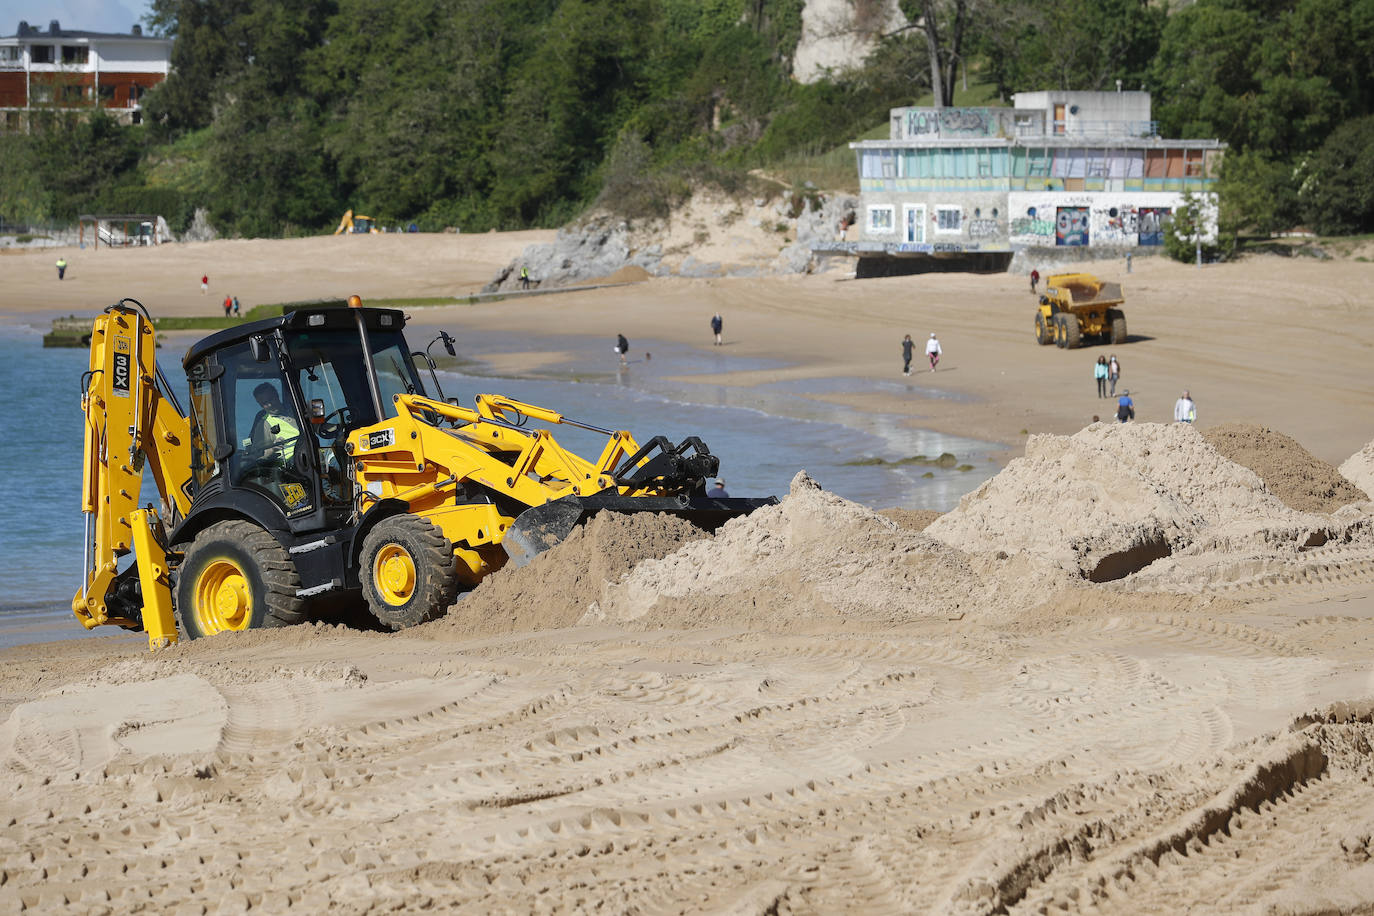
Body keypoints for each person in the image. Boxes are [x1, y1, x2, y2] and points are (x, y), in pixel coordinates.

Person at [249, 382, 300, 463]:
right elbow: (257, 456)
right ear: (260, 405)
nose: (270, 405)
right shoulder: (264, 424)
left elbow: (319, 427)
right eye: (265, 403)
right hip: (291, 465)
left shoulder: (296, 410)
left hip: (310, 453)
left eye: (271, 399)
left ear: (277, 395)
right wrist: (273, 448)